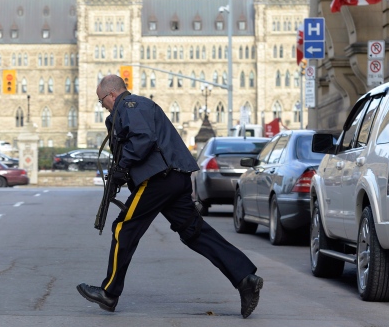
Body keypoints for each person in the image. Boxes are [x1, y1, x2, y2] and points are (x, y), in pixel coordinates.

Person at [77, 74, 263, 318]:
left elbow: (142, 139)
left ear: (112, 94)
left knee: (124, 228)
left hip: (158, 180)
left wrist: (123, 167)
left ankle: (109, 293)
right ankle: (245, 278)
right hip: (173, 178)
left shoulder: (130, 106)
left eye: (102, 101)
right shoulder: (136, 107)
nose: (103, 106)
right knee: (194, 233)